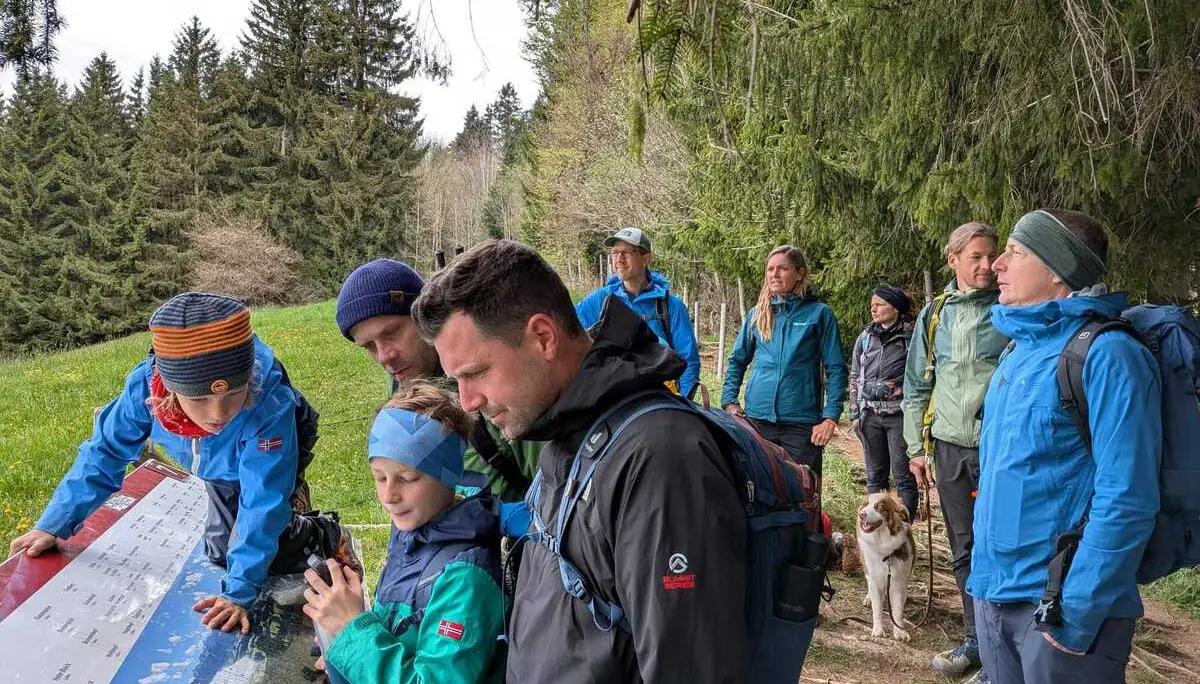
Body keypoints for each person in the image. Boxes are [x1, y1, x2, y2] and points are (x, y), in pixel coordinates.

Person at [412, 239, 749, 683]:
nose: (469, 402)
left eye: (475, 373)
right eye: (456, 380)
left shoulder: (660, 459)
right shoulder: (570, 432)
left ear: (543, 337)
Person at [9, 292, 350, 633]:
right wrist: (53, 525)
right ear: (170, 389)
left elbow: (262, 502)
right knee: (221, 549)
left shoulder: (269, 406)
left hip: (273, 448)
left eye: (233, 394)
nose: (218, 415)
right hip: (217, 464)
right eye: (200, 399)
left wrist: (239, 593)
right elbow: (105, 453)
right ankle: (289, 509)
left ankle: (321, 534)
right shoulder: (144, 392)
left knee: (263, 535)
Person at [970, 209, 1160, 684]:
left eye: (1014, 252)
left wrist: (1073, 615)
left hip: (1060, 611)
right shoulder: (1018, 351)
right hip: (994, 595)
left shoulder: (1109, 355)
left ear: (1057, 269)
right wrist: (982, 593)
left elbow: (1129, 497)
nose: (998, 264)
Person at [304, 380, 506, 684]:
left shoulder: (465, 578)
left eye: (408, 478)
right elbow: (401, 626)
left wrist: (352, 630)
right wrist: (344, 647)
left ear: (448, 475)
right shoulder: (416, 528)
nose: (389, 495)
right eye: (380, 478)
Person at [336, 258, 539, 502]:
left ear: (424, 318)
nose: (384, 356)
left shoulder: (495, 389)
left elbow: (559, 492)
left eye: (392, 333)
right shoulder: (403, 403)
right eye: (369, 346)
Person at [902, 222, 1008, 682]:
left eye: (992, 256)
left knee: (1001, 545)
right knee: (962, 548)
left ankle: (1004, 652)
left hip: (999, 450)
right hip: (946, 448)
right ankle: (976, 642)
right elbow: (917, 384)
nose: (987, 265)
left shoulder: (1009, 308)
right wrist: (915, 448)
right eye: (977, 257)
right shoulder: (934, 315)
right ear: (953, 260)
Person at [721, 244, 847, 479]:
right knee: (757, 488)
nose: (774, 275)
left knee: (802, 492)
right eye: (770, 269)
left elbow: (836, 368)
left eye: (782, 269)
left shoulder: (819, 314)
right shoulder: (757, 314)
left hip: (801, 424)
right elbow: (737, 360)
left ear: (799, 273)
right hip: (757, 419)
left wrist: (830, 417)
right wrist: (729, 401)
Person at [575, 227, 701, 398]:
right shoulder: (601, 300)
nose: (619, 259)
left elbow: (689, 360)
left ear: (646, 258)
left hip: (659, 397)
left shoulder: (670, 306)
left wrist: (684, 401)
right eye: (615, 252)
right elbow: (570, 329)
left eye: (626, 252)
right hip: (612, 397)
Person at [849, 286, 918, 521]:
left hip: (899, 416)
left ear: (896, 308)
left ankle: (903, 530)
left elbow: (920, 376)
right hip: (870, 416)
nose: (873, 307)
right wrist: (855, 413)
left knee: (903, 477)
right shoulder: (866, 338)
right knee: (875, 476)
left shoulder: (911, 337)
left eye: (880, 303)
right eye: (872, 303)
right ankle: (876, 530)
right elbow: (855, 375)